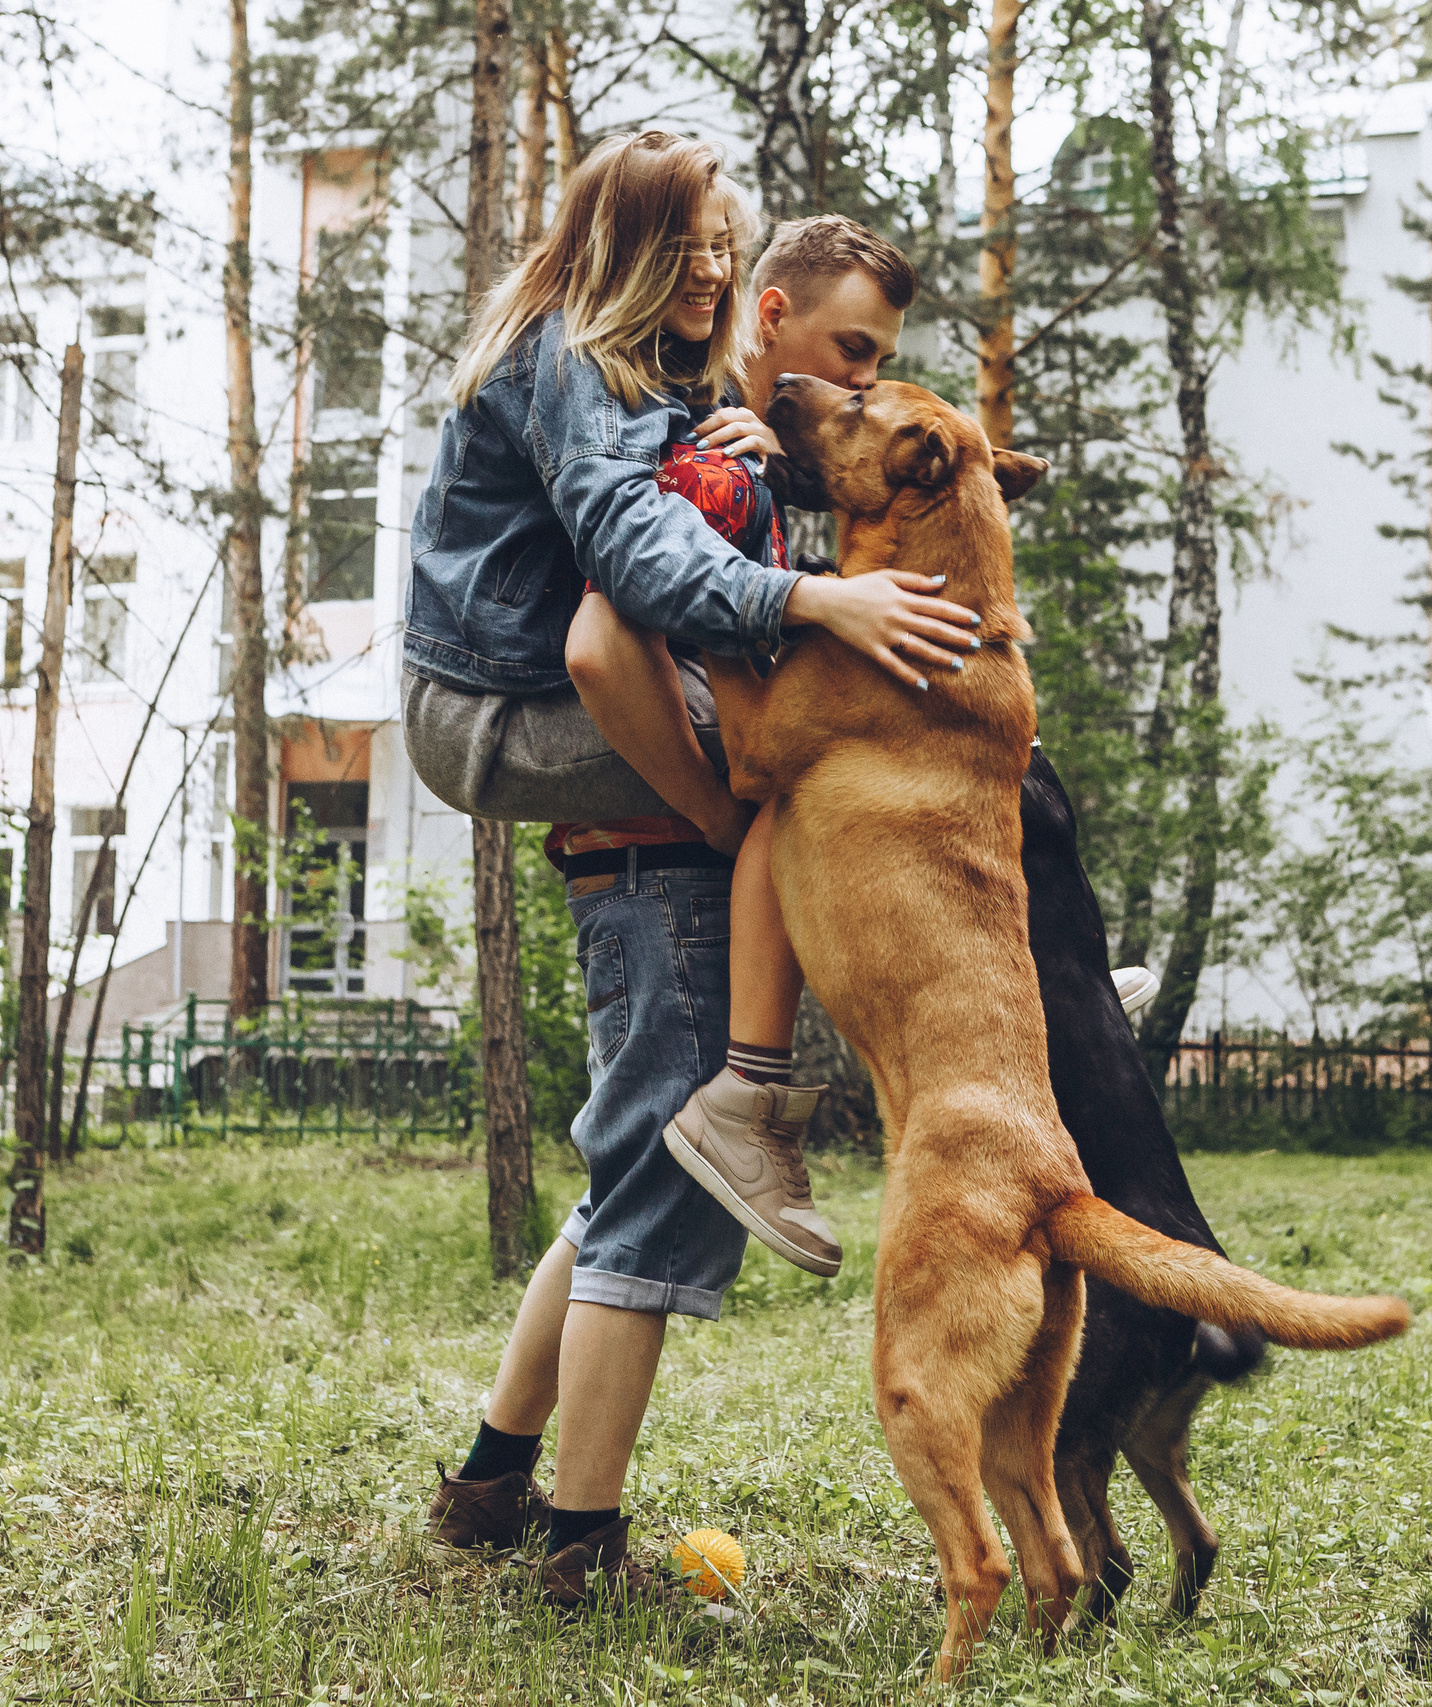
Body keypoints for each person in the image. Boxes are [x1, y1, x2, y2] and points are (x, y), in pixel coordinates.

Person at [403, 132, 979, 1612]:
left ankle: (490, 1483)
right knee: (673, 1157)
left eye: (727, 252)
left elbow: (664, 525)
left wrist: (721, 455)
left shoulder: (657, 388)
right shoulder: (565, 360)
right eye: (696, 258)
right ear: (635, 257)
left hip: (560, 712)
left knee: (622, 1185)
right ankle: (580, 1549)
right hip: (496, 710)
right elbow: (629, 591)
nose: (714, 282)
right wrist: (818, 593)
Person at [561, 215, 958, 1281]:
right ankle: (765, 1080)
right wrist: (718, 813)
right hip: (653, 839)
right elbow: (604, 645)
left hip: (666, 834)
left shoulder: (747, 448)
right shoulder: (695, 446)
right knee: (646, 1217)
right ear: (771, 315)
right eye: (854, 355)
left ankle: (500, 1451)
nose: (864, 382)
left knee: (630, 1189)